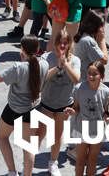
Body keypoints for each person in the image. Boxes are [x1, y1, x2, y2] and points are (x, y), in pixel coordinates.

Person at [0, 36, 47, 176]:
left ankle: (12, 172)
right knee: (28, 146)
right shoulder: (44, 64)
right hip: (33, 109)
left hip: (14, 109)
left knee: (2, 136)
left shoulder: (18, 68)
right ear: (38, 49)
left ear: (22, 50)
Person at [40, 29, 80, 176]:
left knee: (57, 135)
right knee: (40, 133)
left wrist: (66, 64)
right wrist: (57, 66)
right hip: (46, 103)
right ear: (55, 43)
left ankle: (53, 162)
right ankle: (29, 160)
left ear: (69, 44)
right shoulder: (46, 57)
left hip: (65, 104)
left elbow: (76, 79)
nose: (62, 46)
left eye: (65, 43)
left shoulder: (75, 60)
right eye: (60, 43)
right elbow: (42, 78)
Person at [70, 60, 109, 176]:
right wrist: (72, 111)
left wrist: (108, 118)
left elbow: (106, 111)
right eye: (89, 73)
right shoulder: (79, 88)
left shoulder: (106, 91)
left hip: (97, 130)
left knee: (92, 160)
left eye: (95, 73)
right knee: (80, 160)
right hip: (81, 129)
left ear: (102, 76)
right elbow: (76, 107)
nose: (91, 76)